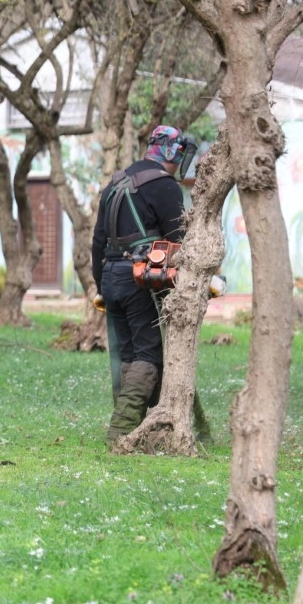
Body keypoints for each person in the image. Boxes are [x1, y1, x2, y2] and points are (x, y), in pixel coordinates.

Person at [91, 124, 196, 445]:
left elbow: (97, 242)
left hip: (110, 276)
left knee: (128, 354)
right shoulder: (164, 186)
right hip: (140, 280)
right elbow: (179, 240)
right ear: (172, 153)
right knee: (149, 354)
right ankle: (120, 432)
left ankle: (136, 426)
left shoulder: (115, 182)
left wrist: (101, 286)